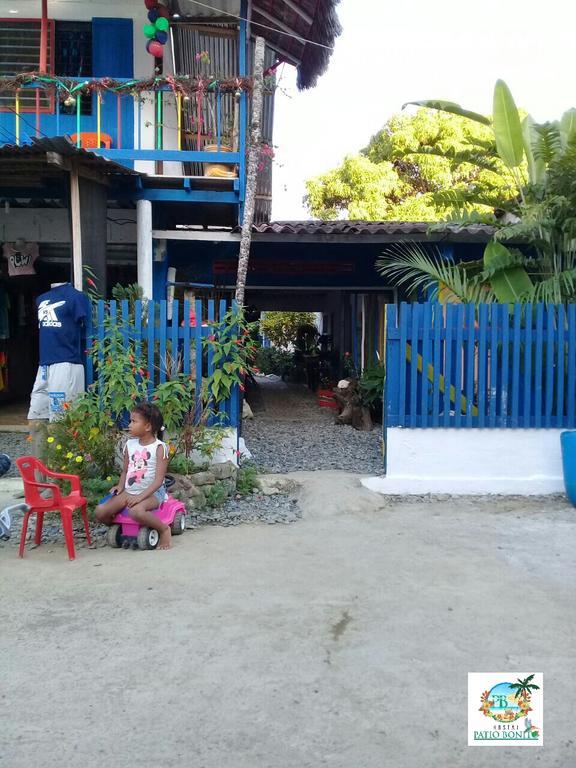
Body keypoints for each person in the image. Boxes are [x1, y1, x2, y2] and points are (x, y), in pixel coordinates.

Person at [95, 403, 171, 550]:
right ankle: (120, 526)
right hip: (129, 490)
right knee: (100, 511)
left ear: (148, 426)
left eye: (134, 421)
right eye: (130, 421)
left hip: (153, 493)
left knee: (135, 511)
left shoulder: (159, 448)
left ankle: (163, 529)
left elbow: (158, 480)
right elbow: (125, 471)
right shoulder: (130, 445)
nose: (129, 425)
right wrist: (120, 486)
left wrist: (140, 497)